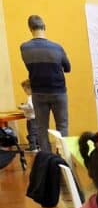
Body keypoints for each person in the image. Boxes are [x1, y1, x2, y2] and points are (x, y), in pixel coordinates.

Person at [20, 14, 70, 153]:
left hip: (38, 92)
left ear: (30, 28)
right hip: (58, 92)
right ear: (44, 27)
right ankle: (63, 156)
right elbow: (68, 68)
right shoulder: (57, 47)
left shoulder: (24, 47)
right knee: (62, 126)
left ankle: (47, 159)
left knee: (42, 128)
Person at [19, 79, 38, 151]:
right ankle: (37, 146)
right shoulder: (36, 97)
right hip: (36, 117)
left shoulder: (30, 97)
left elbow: (30, 107)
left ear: (30, 88)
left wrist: (22, 107)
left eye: (25, 90)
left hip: (31, 119)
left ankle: (33, 147)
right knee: (36, 133)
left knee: (31, 133)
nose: (25, 92)